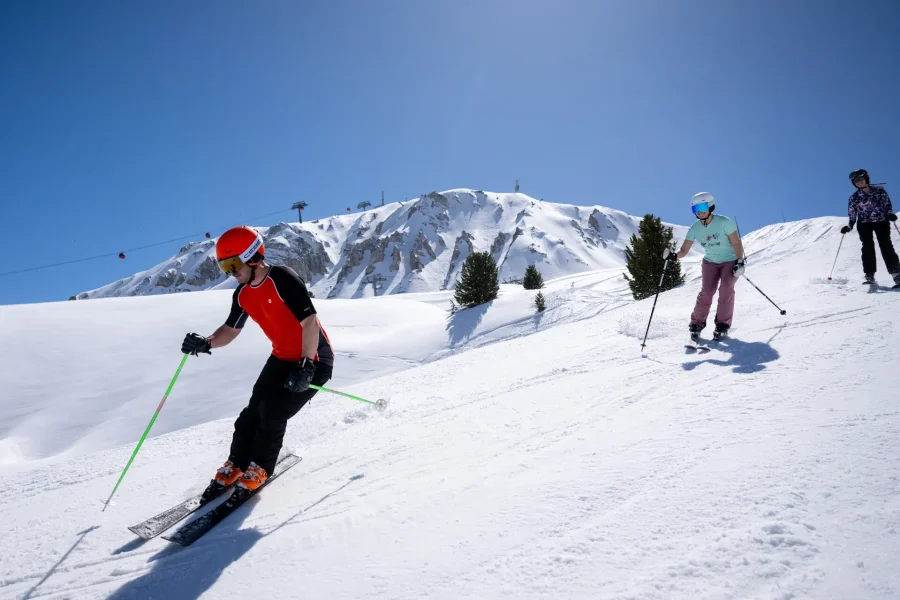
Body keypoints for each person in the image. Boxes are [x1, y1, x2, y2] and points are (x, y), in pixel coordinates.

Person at [181, 225, 334, 499]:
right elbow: (230, 330)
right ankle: (236, 464)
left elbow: (309, 322)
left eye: (232, 264)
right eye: (223, 266)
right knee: (252, 412)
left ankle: (261, 467)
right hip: (281, 357)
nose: (230, 272)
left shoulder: (282, 278)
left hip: (313, 359)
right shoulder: (242, 294)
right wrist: (205, 343)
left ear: (252, 256)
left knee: (273, 412)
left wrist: (307, 366)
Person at [665, 192, 746, 343]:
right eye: (695, 209)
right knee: (707, 292)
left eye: (702, 207)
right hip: (710, 262)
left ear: (710, 206)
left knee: (726, 288)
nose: (699, 211)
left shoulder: (724, 222)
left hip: (730, 260)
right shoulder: (695, 228)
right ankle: (696, 324)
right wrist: (674, 256)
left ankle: (722, 325)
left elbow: (736, 242)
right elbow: (684, 250)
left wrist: (740, 261)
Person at [840, 169, 900, 286]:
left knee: (886, 245)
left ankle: (896, 274)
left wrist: (890, 214)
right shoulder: (854, 197)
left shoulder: (879, 190)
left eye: (861, 179)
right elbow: (852, 213)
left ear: (866, 179)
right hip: (864, 224)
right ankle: (869, 275)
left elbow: (887, 203)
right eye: (856, 181)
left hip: (881, 221)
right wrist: (849, 226)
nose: (859, 182)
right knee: (867, 247)